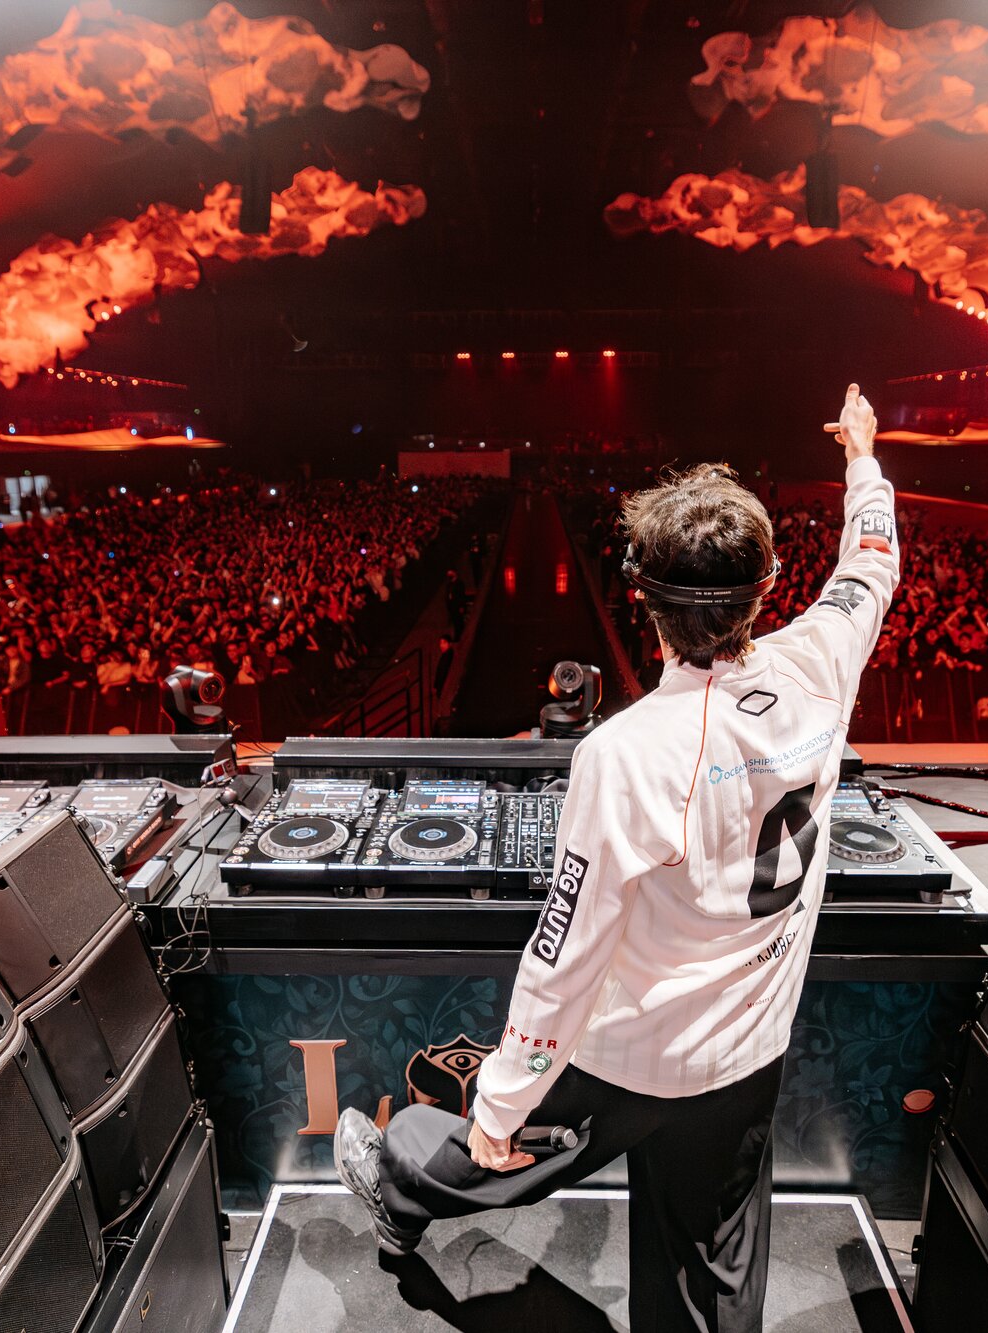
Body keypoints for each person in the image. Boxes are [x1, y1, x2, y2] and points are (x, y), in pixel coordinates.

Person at [334, 385, 901, 1332]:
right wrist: (862, 460)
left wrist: (504, 1102)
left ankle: (398, 1176)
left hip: (636, 1051)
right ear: (766, 588)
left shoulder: (625, 752)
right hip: (751, 1047)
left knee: (498, 1150)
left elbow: (565, 956)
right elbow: (871, 562)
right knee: (713, 1266)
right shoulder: (824, 660)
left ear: (642, 601)